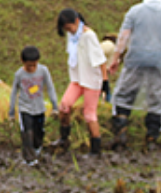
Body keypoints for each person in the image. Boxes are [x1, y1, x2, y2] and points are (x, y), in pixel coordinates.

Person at [108, 0, 161, 151]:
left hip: (135, 59)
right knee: (157, 98)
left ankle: (121, 130)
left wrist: (115, 58)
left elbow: (123, 36)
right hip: (159, 62)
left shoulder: (134, 11)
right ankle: (151, 138)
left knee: (124, 94)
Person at [53, 9, 108, 157]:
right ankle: (64, 139)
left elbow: (101, 60)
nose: (68, 31)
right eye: (66, 30)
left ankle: (96, 149)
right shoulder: (72, 37)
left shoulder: (89, 36)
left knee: (89, 114)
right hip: (77, 79)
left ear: (77, 21)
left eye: (69, 28)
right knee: (64, 106)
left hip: (91, 80)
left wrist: (105, 81)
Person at [8, 46, 59, 166]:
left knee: (38, 133)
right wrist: (11, 111)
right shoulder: (19, 74)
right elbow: (14, 92)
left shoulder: (43, 71)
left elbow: (50, 87)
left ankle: (37, 150)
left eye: (34, 65)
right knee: (27, 133)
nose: (31, 68)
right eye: (29, 66)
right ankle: (29, 159)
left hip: (39, 107)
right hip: (25, 108)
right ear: (23, 62)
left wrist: (55, 106)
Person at [99, 33, 118, 102]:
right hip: (100, 70)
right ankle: (108, 102)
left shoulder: (102, 44)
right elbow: (109, 67)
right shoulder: (113, 47)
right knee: (105, 88)